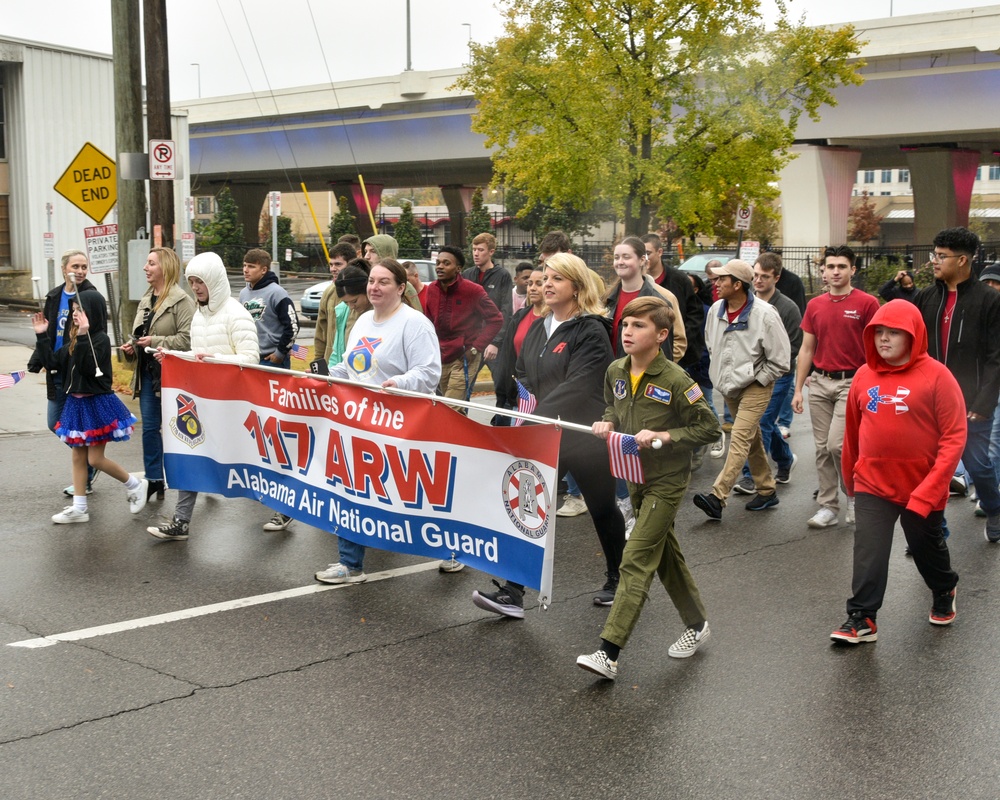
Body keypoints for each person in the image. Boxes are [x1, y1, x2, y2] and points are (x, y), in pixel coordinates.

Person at [472, 253, 627, 616]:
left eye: (557, 278)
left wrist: (534, 419)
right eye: (545, 278)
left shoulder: (592, 329)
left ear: (576, 287)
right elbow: (524, 372)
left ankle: (619, 579)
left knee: (603, 508)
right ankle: (513, 592)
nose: (546, 284)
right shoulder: (537, 325)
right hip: (545, 434)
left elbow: (579, 384)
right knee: (526, 506)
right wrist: (525, 408)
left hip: (583, 435)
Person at [577, 297, 720, 680]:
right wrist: (605, 422)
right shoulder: (616, 371)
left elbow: (709, 428)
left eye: (639, 326)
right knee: (665, 552)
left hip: (667, 481)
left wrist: (664, 435)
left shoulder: (677, 380)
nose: (628, 331)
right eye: (625, 324)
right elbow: (613, 407)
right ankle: (697, 624)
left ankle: (609, 652)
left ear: (660, 335)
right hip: (633, 475)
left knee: (636, 557)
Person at [831, 300, 966, 645]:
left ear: (914, 336)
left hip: (922, 487)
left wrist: (929, 490)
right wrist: (851, 478)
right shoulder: (863, 375)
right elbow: (852, 433)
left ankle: (944, 587)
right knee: (868, 550)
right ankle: (862, 616)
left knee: (925, 547)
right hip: (873, 484)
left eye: (894, 333)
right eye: (879, 332)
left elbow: (954, 438)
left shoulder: (938, 376)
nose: (884, 339)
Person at [314, 261, 443, 584]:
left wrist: (399, 384)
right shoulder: (362, 322)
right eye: (372, 281)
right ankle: (350, 563)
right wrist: (323, 377)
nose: (374, 287)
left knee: (412, 495)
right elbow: (350, 367)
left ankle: (451, 550)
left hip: (402, 425)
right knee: (350, 489)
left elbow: (429, 373)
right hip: (359, 422)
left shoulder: (415, 324)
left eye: (383, 282)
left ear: (401, 288)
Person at [146, 252, 260, 541]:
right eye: (192, 281)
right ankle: (181, 522)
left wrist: (216, 358)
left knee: (255, 465)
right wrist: (172, 357)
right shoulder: (199, 315)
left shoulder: (237, 314)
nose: (195, 287)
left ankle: (286, 507)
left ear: (215, 282)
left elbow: (251, 359)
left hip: (235, 407)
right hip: (205, 404)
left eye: (200, 282)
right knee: (191, 452)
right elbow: (197, 356)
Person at [912, 228, 1000, 542]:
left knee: (978, 464)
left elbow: (995, 357)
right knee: (931, 467)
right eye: (935, 254)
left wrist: (983, 402)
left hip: (972, 401)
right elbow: (915, 348)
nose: (933, 261)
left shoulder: (989, 300)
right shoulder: (926, 296)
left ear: (962, 260)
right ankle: (935, 532)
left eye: (941, 256)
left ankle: (994, 508)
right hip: (930, 401)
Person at [31, 291, 149, 523]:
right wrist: (42, 336)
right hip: (76, 402)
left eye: (80, 311)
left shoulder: (100, 341)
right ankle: (79, 508)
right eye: (74, 310)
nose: (75, 315)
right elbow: (53, 363)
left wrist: (83, 334)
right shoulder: (75, 338)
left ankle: (135, 485)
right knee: (77, 457)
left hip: (96, 403)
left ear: (93, 313)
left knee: (95, 459)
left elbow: (87, 368)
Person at [692, 259, 790, 520]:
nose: (715, 283)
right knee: (751, 439)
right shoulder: (715, 309)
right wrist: (721, 377)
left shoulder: (765, 314)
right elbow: (712, 345)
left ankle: (717, 496)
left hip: (756, 386)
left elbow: (781, 358)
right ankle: (767, 491)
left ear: (738, 285)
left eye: (722, 279)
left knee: (739, 437)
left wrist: (759, 379)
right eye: (715, 279)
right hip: (728, 386)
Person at [793, 245, 880, 528]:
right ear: (824, 271)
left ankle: (854, 498)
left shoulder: (867, 303)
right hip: (819, 382)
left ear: (853, 270)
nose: (836, 271)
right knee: (821, 448)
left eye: (842, 266)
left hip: (853, 383)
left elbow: (877, 347)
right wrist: (797, 390)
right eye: (831, 267)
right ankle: (828, 507)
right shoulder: (815, 306)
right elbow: (807, 349)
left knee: (838, 445)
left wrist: (876, 385)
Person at [120, 247, 195, 503]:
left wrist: (156, 340)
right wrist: (132, 347)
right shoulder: (145, 299)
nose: (145, 268)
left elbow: (188, 339)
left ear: (164, 267)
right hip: (148, 375)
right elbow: (138, 335)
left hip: (174, 379)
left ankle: (194, 479)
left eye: (151, 263)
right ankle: (154, 480)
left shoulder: (182, 300)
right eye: (146, 262)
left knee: (182, 431)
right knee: (150, 429)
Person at [27, 249, 100, 495]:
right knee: (54, 423)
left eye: (83, 267)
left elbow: (95, 335)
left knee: (75, 426)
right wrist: (38, 359)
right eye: (75, 266)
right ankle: (91, 460)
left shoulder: (89, 296)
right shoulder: (54, 296)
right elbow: (48, 331)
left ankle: (87, 474)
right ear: (63, 268)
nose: (80, 271)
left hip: (77, 372)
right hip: (56, 369)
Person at [732, 254, 802, 493]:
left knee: (757, 423)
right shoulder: (746, 303)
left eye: (765, 276)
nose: (758, 280)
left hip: (778, 376)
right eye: (756, 275)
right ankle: (785, 459)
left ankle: (750, 476)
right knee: (763, 424)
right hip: (748, 375)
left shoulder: (787, 308)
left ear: (777, 278)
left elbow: (793, 347)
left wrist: (765, 367)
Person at [422, 245, 503, 403]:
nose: (439, 266)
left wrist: (475, 348)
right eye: (438, 262)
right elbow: (428, 323)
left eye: (446, 263)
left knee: (452, 406)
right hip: (440, 355)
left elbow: (496, 320)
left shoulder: (473, 291)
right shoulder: (431, 289)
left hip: (464, 356)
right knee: (448, 407)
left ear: (458, 268)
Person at [604, 236, 686, 363]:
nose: (620, 262)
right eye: (616, 257)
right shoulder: (606, 300)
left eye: (626, 257)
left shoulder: (661, 301)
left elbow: (674, 345)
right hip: (610, 376)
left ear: (642, 260)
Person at [641, 233, 704, 375]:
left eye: (648, 253)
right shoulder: (636, 281)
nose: (644, 258)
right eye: (641, 253)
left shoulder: (679, 280)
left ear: (660, 252)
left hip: (679, 357)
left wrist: (679, 345)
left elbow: (695, 313)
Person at [240, 248, 298, 370]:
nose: (245, 270)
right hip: (250, 357)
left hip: (271, 359)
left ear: (264, 270)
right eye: (244, 265)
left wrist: (280, 353)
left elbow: (293, 326)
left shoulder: (277, 293)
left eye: (251, 266)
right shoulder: (243, 293)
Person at [313, 241, 359, 364]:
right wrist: (317, 362)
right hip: (331, 363)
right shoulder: (329, 292)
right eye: (331, 264)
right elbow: (321, 331)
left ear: (351, 263)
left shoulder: (363, 292)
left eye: (338, 264)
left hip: (356, 362)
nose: (333, 269)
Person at [325, 261, 372, 371]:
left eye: (354, 301)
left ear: (367, 290)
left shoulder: (380, 312)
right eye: (346, 302)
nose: (351, 307)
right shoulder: (343, 311)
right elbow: (337, 353)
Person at [362, 234, 422, 311]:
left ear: (386, 253)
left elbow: (415, 318)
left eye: (373, 251)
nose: (366, 256)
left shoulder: (406, 288)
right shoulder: (364, 281)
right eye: (365, 251)